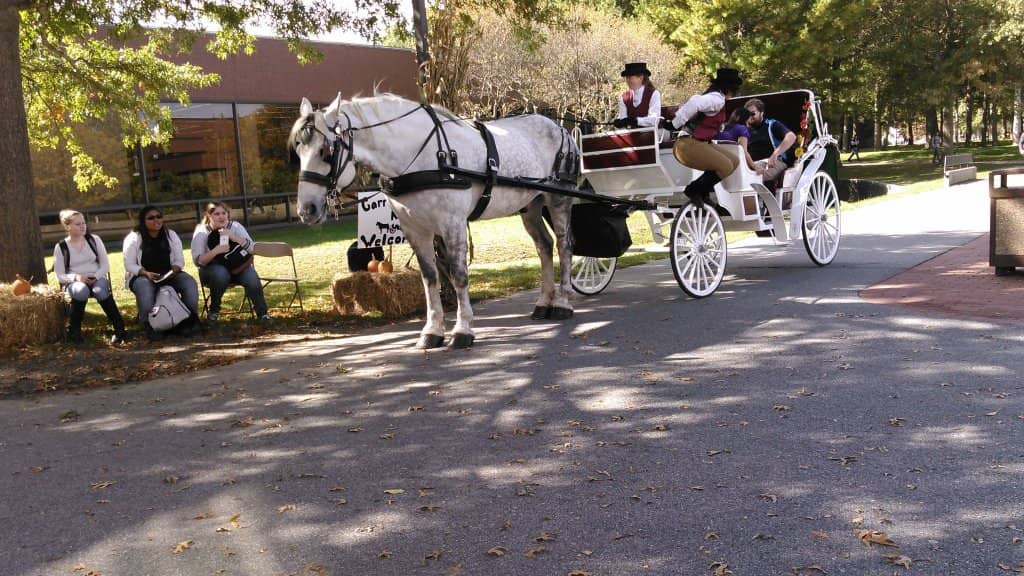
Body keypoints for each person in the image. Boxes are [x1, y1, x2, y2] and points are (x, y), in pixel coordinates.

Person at [664, 67, 744, 207]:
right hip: (688, 145)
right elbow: (694, 104)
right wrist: (675, 124)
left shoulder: (714, 97)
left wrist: (722, 126)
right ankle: (694, 190)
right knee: (725, 166)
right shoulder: (717, 99)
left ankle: (703, 192)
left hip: (698, 143)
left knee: (734, 161)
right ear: (730, 88)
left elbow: (698, 110)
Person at [123, 205, 201, 340]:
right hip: (142, 275)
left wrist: (174, 270)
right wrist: (145, 273)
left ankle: (188, 321)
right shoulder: (134, 237)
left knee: (189, 282)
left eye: (159, 217)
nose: (156, 220)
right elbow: (129, 264)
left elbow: (179, 261)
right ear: (143, 221)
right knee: (145, 287)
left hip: (169, 274)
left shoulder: (171, 235)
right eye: (151, 218)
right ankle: (149, 326)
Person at [52, 210, 128, 345]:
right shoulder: (61, 247)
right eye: (77, 224)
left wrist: (96, 276)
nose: (82, 226)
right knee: (82, 291)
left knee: (100, 291)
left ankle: (119, 329)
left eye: (83, 223)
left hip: (97, 277)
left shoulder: (94, 240)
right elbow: (60, 275)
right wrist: (76, 277)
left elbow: (105, 265)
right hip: (75, 281)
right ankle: (74, 331)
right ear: (68, 226)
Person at [191, 201, 272, 324]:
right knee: (221, 272)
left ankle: (263, 314)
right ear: (209, 216)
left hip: (237, 268)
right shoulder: (202, 232)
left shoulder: (235, 227)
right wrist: (216, 250)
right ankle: (214, 312)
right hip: (212, 271)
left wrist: (234, 237)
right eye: (217, 214)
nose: (221, 216)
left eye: (224, 213)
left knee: (251, 277)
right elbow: (198, 261)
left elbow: (252, 249)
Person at [744, 97, 797, 182]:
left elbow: (791, 136)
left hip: (774, 162)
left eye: (753, 113)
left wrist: (775, 154)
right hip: (753, 164)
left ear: (762, 113)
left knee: (752, 175)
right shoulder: (745, 130)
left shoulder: (771, 124)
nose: (750, 117)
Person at [612, 62, 662, 130]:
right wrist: (620, 123)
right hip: (633, 136)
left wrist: (635, 121)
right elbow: (623, 119)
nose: (627, 81)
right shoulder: (623, 97)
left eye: (630, 77)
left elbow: (654, 120)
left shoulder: (654, 94)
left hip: (653, 136)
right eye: (627, 78)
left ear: (641, 78)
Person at [713, 107, 758, 171]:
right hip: (733, 165)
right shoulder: (742, 129)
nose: (749, 124)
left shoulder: (721, 127)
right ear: (743, 118)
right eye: (749, 119)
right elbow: (743, 151)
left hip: (715, 162)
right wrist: (755, 167)